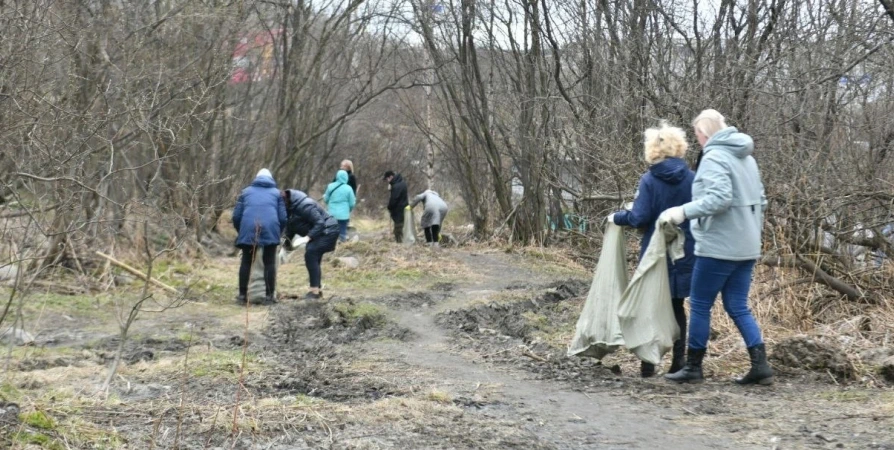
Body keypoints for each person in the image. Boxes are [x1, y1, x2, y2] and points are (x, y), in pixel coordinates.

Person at [662, 109, 773, 386]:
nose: (698, 140)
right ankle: (761, 366)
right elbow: (761, 200)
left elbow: (719, 199)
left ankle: (693, 367)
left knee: (700, 304)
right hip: (747, 245)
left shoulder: (714, 157)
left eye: (698, 134)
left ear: (703, 133)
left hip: (719, 246)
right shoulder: (746, 157)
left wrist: (682, 212)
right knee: (737, 305)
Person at [608, 122, 695, 378]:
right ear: (678, 147)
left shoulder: (650, 179)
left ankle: (648, 364)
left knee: (649, 304)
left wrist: (619, 217)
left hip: (655, 253)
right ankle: (679, 361)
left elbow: (640, 217)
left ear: (653, 150)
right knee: (677, 305)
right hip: (684, 251)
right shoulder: (692, 178)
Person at [232, 168, 287, 305]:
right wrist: (278, 233)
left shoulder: (245, 192)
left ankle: (242, 296)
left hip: (248, 228)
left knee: (246, 262)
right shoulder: (277, 194)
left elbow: (236, 216)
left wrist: (242, 231)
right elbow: (283, 217)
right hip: (270, 228)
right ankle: (269, 297)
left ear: (256, 178)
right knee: (269, 263)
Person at [283, 189, 340, 299]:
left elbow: (320, 223)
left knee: (311, 253)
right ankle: (317, 290)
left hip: (329, 230)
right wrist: (285, 249)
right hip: (320, 233)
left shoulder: (305, 206)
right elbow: (290, 230)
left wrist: (307, 237)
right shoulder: (290, 210)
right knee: (312, 254)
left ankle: (314, 292)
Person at [324, 169, 357, 242]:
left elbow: (326, 199)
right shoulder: (349, 188)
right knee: (342, 233)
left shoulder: (330, 186)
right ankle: (342, 245)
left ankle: (330, 247)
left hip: (331, 214)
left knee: (331, 232)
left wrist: (329, 204)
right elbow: (352, 203)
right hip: (343, 215)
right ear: (346, 177)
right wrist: (349, 210)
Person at [384, 170, 408, 242]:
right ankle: (401, 243)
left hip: (398, 211)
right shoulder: (402, 183)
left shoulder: (396, 186)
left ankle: (400, 244)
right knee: (401, 228)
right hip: (403, 208)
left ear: (391, 177)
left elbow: (394, 199)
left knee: (398, 230)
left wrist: (389, 207)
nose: (387, 181)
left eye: (387, 179)